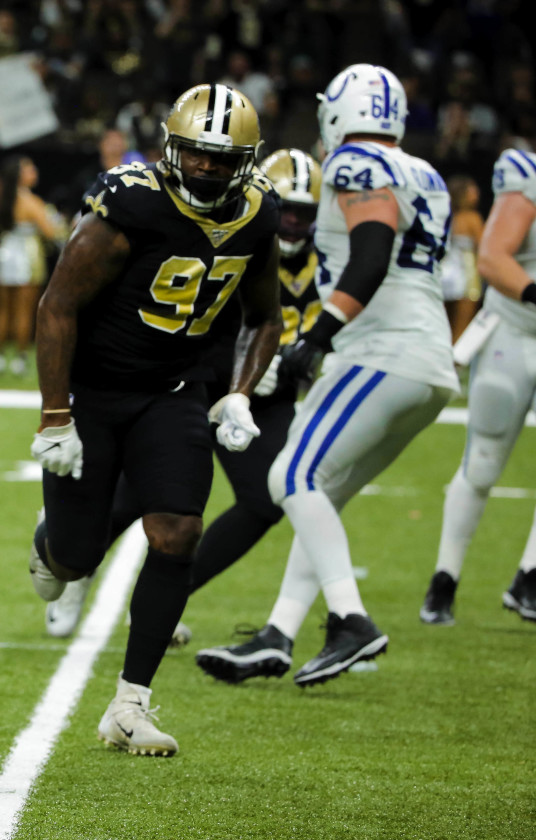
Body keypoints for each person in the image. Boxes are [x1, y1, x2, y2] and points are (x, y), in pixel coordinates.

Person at [26, 84, 283, 756]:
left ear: (247, 163)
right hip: (98, 392)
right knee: (76, 559)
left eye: (221, 159)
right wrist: (57, 416)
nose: (205, 168)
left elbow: (264, 315)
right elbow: (56, 307)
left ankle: (130, 705)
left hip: (173, 392)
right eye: (196, 154)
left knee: (177, 533)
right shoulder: (130, 203)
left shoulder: (258, 212)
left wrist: (240, 393)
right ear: (173, 149)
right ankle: (49, 541)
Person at [201, 65, 459, 688]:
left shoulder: (353, 165)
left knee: (288, 475)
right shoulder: (425, 172)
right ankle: (279, 633)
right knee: (325, 491)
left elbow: (370, 257)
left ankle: (350, 621)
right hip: (428, 360)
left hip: (382, 350)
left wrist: (316, 338)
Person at [48, 149, 324, 643]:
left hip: (264, 394)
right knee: (132, 497)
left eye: (307, 212)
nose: (295, 221)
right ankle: (75, 560)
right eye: (290, 208)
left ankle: (165, 595)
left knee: (261, 499)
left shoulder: (324, 252)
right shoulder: (226, 225)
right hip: (194, 380)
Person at [420, 142, 536, 626]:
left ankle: (529, 579)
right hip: (514, 332)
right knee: (483, 462)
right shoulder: (525, 173)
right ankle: (443, 580)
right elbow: (493, 258)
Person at [0, 156, 65, 376]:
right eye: (29, 168)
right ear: (19, 175)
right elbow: (51, 232)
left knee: (3, 308)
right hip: (25, 255)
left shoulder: (3, 198)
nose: (34, 171)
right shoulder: (31, 202)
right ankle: (20, 359)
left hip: (5, 251)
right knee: (24, 310)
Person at [439, 174, 484, 343]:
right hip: (465, 273)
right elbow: (482, 246)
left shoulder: (445, 217)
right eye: (473, 191)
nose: (477, 194)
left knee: (443, 323)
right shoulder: (473, 218)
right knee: (462, 325)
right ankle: (457, 360)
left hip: (443, 272)